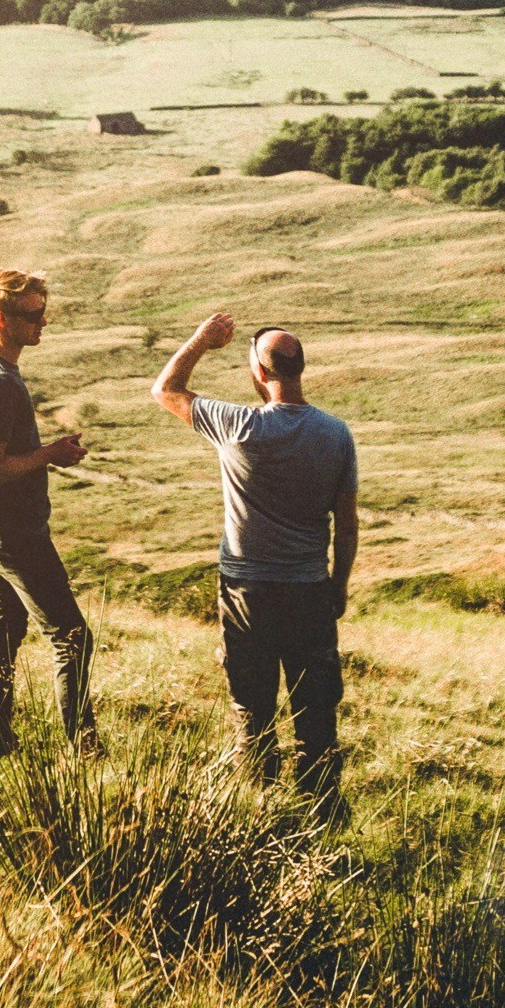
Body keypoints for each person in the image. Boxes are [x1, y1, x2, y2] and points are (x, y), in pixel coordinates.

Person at [150, 307, 358, 809]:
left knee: (253, 708)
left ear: (258, 374)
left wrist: (202, 338)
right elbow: (346, 523)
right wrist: (338, 585)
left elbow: (166, 389)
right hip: (309, 588)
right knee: (315, 714)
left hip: (247, 592)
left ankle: (259, 806)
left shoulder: (237, 425)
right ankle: (320, 808)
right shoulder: (336, 434)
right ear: (300, 369)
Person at [0, 263, 97, 755]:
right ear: (0, 317)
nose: (44, 323)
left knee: (5, 630)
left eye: (45, 313)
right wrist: (50, 454)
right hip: (16, 535)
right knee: (72, 639)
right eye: (34, 315)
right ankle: (84, 750)